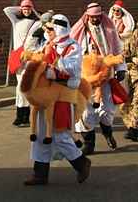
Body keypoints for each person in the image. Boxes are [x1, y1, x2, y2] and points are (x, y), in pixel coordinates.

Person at [23, 14, 91, 186]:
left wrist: (50, 66)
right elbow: (36, 59)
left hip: (63, 96)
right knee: (40, 135)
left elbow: (72, 69)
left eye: (51, 29)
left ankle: (81, 163)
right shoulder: (48, 44)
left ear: (59, 29)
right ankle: (40, 174)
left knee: (60, 135)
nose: (48, 32)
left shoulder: (72, 46)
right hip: (45, 96)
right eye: (47, 29)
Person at [70, 2, 125, 155]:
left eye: (97, 17)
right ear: (87, 16)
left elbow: (117, 49)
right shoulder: (80, 31)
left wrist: (121, 68)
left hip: (105, 76)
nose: (95, 19)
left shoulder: (108, 29)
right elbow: (71, 54)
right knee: (87, 112)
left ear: (101, 16)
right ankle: (89, 143)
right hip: (86, 79)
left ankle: (107, 133)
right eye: (92, 17)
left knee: (107, 110)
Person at [4, 0, 40, 127]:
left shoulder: (37, 23)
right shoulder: (16, 21)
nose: (26, 11)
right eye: (24, 9)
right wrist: (21, 8)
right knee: (20, 86)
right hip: (17, 58)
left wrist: (34, 11)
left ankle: (22, 116)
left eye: (29, 9)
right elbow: (7, 10)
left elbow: (41, 39)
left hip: (29, 58)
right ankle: (22, 116)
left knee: (22, 87)